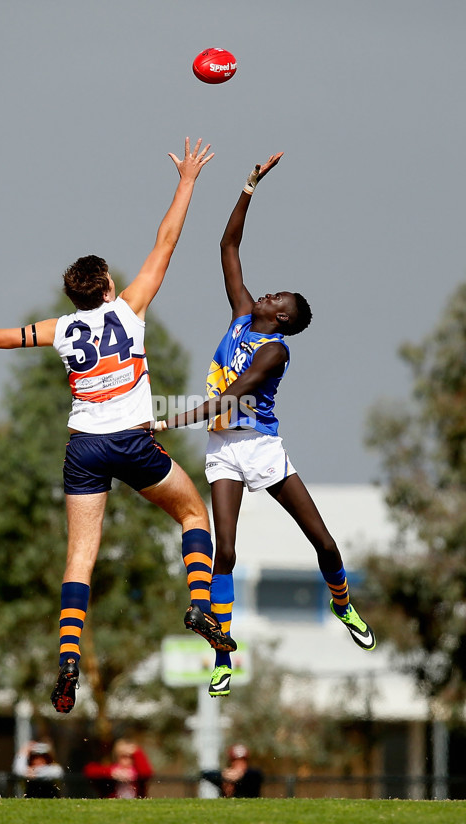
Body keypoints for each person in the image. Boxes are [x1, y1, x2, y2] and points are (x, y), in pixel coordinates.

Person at [0, 137, 235, 717]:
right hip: (133, 442)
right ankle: (201, 605)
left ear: (73, 294)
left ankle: (68, 656)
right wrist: (188, 180)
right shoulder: (129, 309)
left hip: (84, 450)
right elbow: (166, 241)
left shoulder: (61, 330)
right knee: (194, 514)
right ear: (106, 288)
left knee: (80, 558)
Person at [157, 153, 376, 698]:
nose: (270, 293)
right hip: (223, 451)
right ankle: (223, 651)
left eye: (279, 298)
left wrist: (167, 419)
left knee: (323, 542)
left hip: (259, 447)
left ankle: (342, 603)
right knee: (224, 552)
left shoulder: (274, 350)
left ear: (282, 317)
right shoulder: (239, 314)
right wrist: (249, 185)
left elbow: (230, 400)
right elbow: (228, 247)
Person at [83, 738, 153, 799]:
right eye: (123, 756)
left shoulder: (138, 772)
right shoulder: (111, 770)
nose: (127, 760)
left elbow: (146, 772)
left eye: (131, 756)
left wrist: (136, 751)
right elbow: (89, 771)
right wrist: (112, 773)